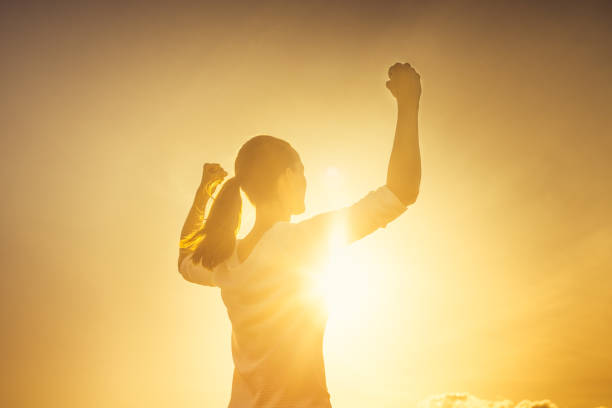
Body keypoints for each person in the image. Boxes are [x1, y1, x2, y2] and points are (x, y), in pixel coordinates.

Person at [178, 62, 422, 408]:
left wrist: (203, 193)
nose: (306, 181)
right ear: (286, 178)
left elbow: (184, 259)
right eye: (302, 171)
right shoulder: (296, 243)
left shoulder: (225, 263)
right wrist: (409, 101)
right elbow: (401, 192)